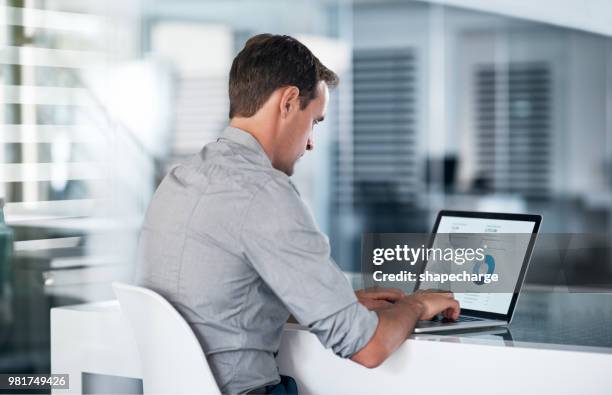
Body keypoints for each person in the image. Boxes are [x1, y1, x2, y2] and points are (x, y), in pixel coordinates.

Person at [136, 34, 460, 394]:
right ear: (289, 101)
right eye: (315, 121)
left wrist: (334, 303)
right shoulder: (263, 191)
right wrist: (416, 304)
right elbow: (368, 347)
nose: (310, 143)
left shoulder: (179, 180)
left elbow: (215, 304)